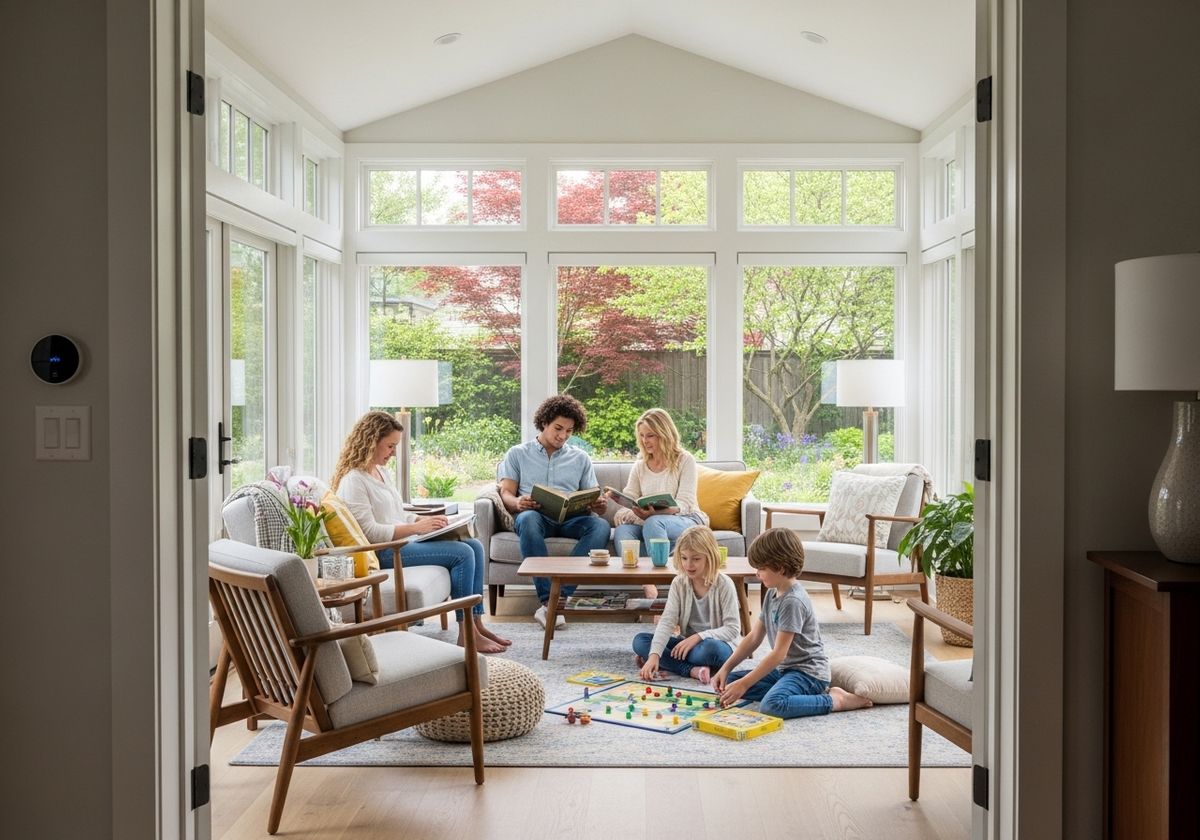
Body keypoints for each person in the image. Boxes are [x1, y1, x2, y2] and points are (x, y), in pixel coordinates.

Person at [332, 411, 511, 654]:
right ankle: (466, 631)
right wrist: (416, 528)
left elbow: (396, 512)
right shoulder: (354, 480)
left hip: (402, 543)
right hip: (383, 552)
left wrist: (423, 520)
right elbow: (369, 532)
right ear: (371, 441)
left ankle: (477, 623)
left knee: (476, 546)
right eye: (390, 446)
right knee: (461, 553)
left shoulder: (380, 472)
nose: (393, 452)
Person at [712, 528, 873, 718]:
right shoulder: (772, 593)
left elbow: (779, 654)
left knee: (772, 706)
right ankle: (788, 693)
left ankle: (836, 700)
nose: (757, 574)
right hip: (785, 671)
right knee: (730, 681)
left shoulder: (792, 601)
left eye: (762, 568)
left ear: (780, 568)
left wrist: (745, 684)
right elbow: (754, 637)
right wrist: (726, 668)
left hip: (808, 675)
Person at [498, 394, 610, 630]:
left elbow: (592, 494)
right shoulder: (517, 453)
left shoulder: (580, 458)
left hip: (572, 519)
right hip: (535, 516)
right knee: (527, 519)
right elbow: (506, 493)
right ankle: (549, 601)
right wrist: (518, 502)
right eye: (558, 428)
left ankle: (557, 599)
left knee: (600, 526)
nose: (563, 436)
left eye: (569, 431)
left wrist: (597, 504)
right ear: (544, 422)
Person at [609, 408, 708, 598]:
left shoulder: (685, 460)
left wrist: (656, 513)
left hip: (687, 519)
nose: (645, 441)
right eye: (642, 436)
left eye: (650, 435)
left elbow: (685, 502)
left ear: (664, 434)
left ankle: (669, 591)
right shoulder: (640, 465)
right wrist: (622, 506)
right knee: (623, 530)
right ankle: (649, 586)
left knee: (655, 523)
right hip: (650, 522)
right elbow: (630, 495)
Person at [633, 525, 741, 685]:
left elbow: (732, 629)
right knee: (640, 641)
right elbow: (667, 621)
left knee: (709, 651)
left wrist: (698, 637)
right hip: (687, 645)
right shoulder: (679, 582)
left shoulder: (725, 584)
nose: (689, 565)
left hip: (717, 645)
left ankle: (671, 663)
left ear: (709, 557)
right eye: (684, 558)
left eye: (696, 559)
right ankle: (693, 671)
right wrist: (655, 654)